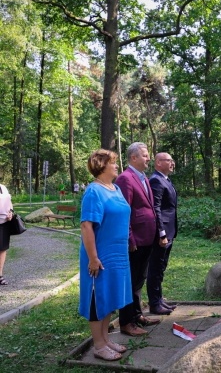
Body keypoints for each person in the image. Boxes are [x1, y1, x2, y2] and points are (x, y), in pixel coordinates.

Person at [79, 149, 132, 361]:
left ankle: (106, 339)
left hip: (117, 255)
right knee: (97, 298)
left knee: (110, 296)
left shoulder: (116, 188)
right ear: (101, 165)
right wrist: (93, 257)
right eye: (113, 162)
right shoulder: (94, 192)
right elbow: (86, 226)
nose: (117, 166)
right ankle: (98, 346)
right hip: (99, 256)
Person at [115, 142, 161, 337]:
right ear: (133, 158)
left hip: (147, 238)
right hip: (136, 240)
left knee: (139, 280)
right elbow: (124, 211)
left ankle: (137, 314)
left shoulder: (143, 177)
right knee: (130, 281)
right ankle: (126, 322)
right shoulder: (125, 178)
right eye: (144, 155)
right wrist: (130, 238)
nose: (148, 158)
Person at [147, 153, 178, 314]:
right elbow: (156, 208)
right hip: (162, 234)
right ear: (158, 163)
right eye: (168, 160)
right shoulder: (156, 180)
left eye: (172, 160)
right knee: (155, 268)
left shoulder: (165, 179)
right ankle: (154, 303)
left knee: (161, 267)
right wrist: (162, 233)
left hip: (170, 231)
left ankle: (159, 300)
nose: (172, 163)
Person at [0, 183, 13, 286]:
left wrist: (11, 212)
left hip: (4, 223)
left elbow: (9, 203)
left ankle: (0, 275)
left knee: (2, 249)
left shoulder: (3, 187)